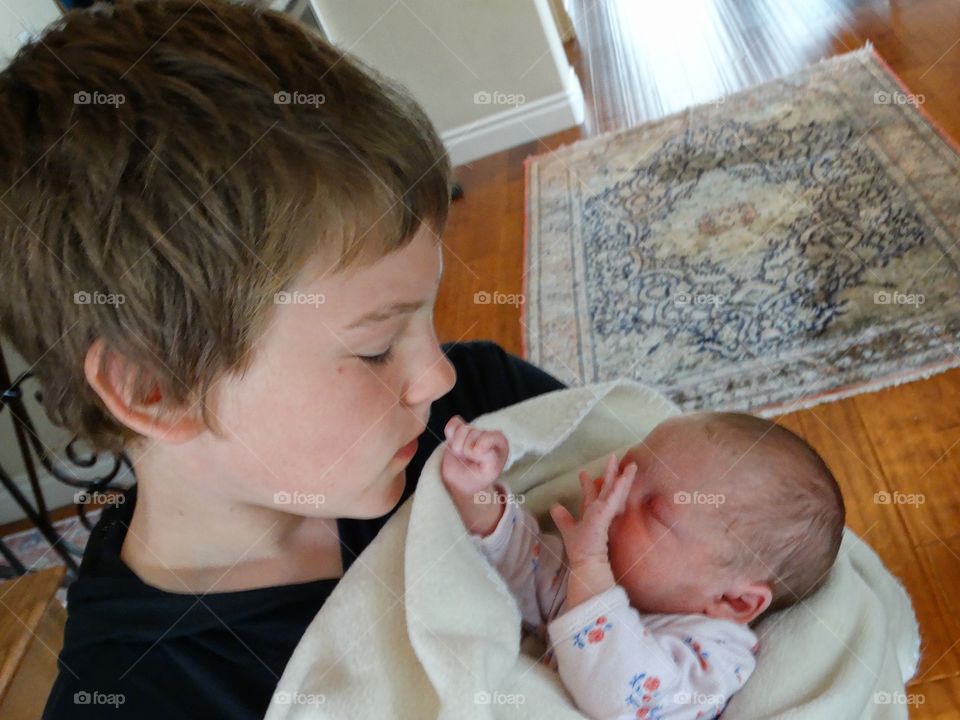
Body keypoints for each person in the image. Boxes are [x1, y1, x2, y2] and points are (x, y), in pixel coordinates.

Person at [0, 2, 565, 718]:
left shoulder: (484, 404)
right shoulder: (146, 695)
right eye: (375, 347)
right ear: (157, 389)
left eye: (428, 311)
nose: (438, 373)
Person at [440, 411, 846, 719]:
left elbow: (621, 693)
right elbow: (522, 567)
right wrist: (476, 493)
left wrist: (591, 563)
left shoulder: (715, 652)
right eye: (627, 472)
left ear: (732, 601)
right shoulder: (602, 578)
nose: (613, 499)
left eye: (653, 510)